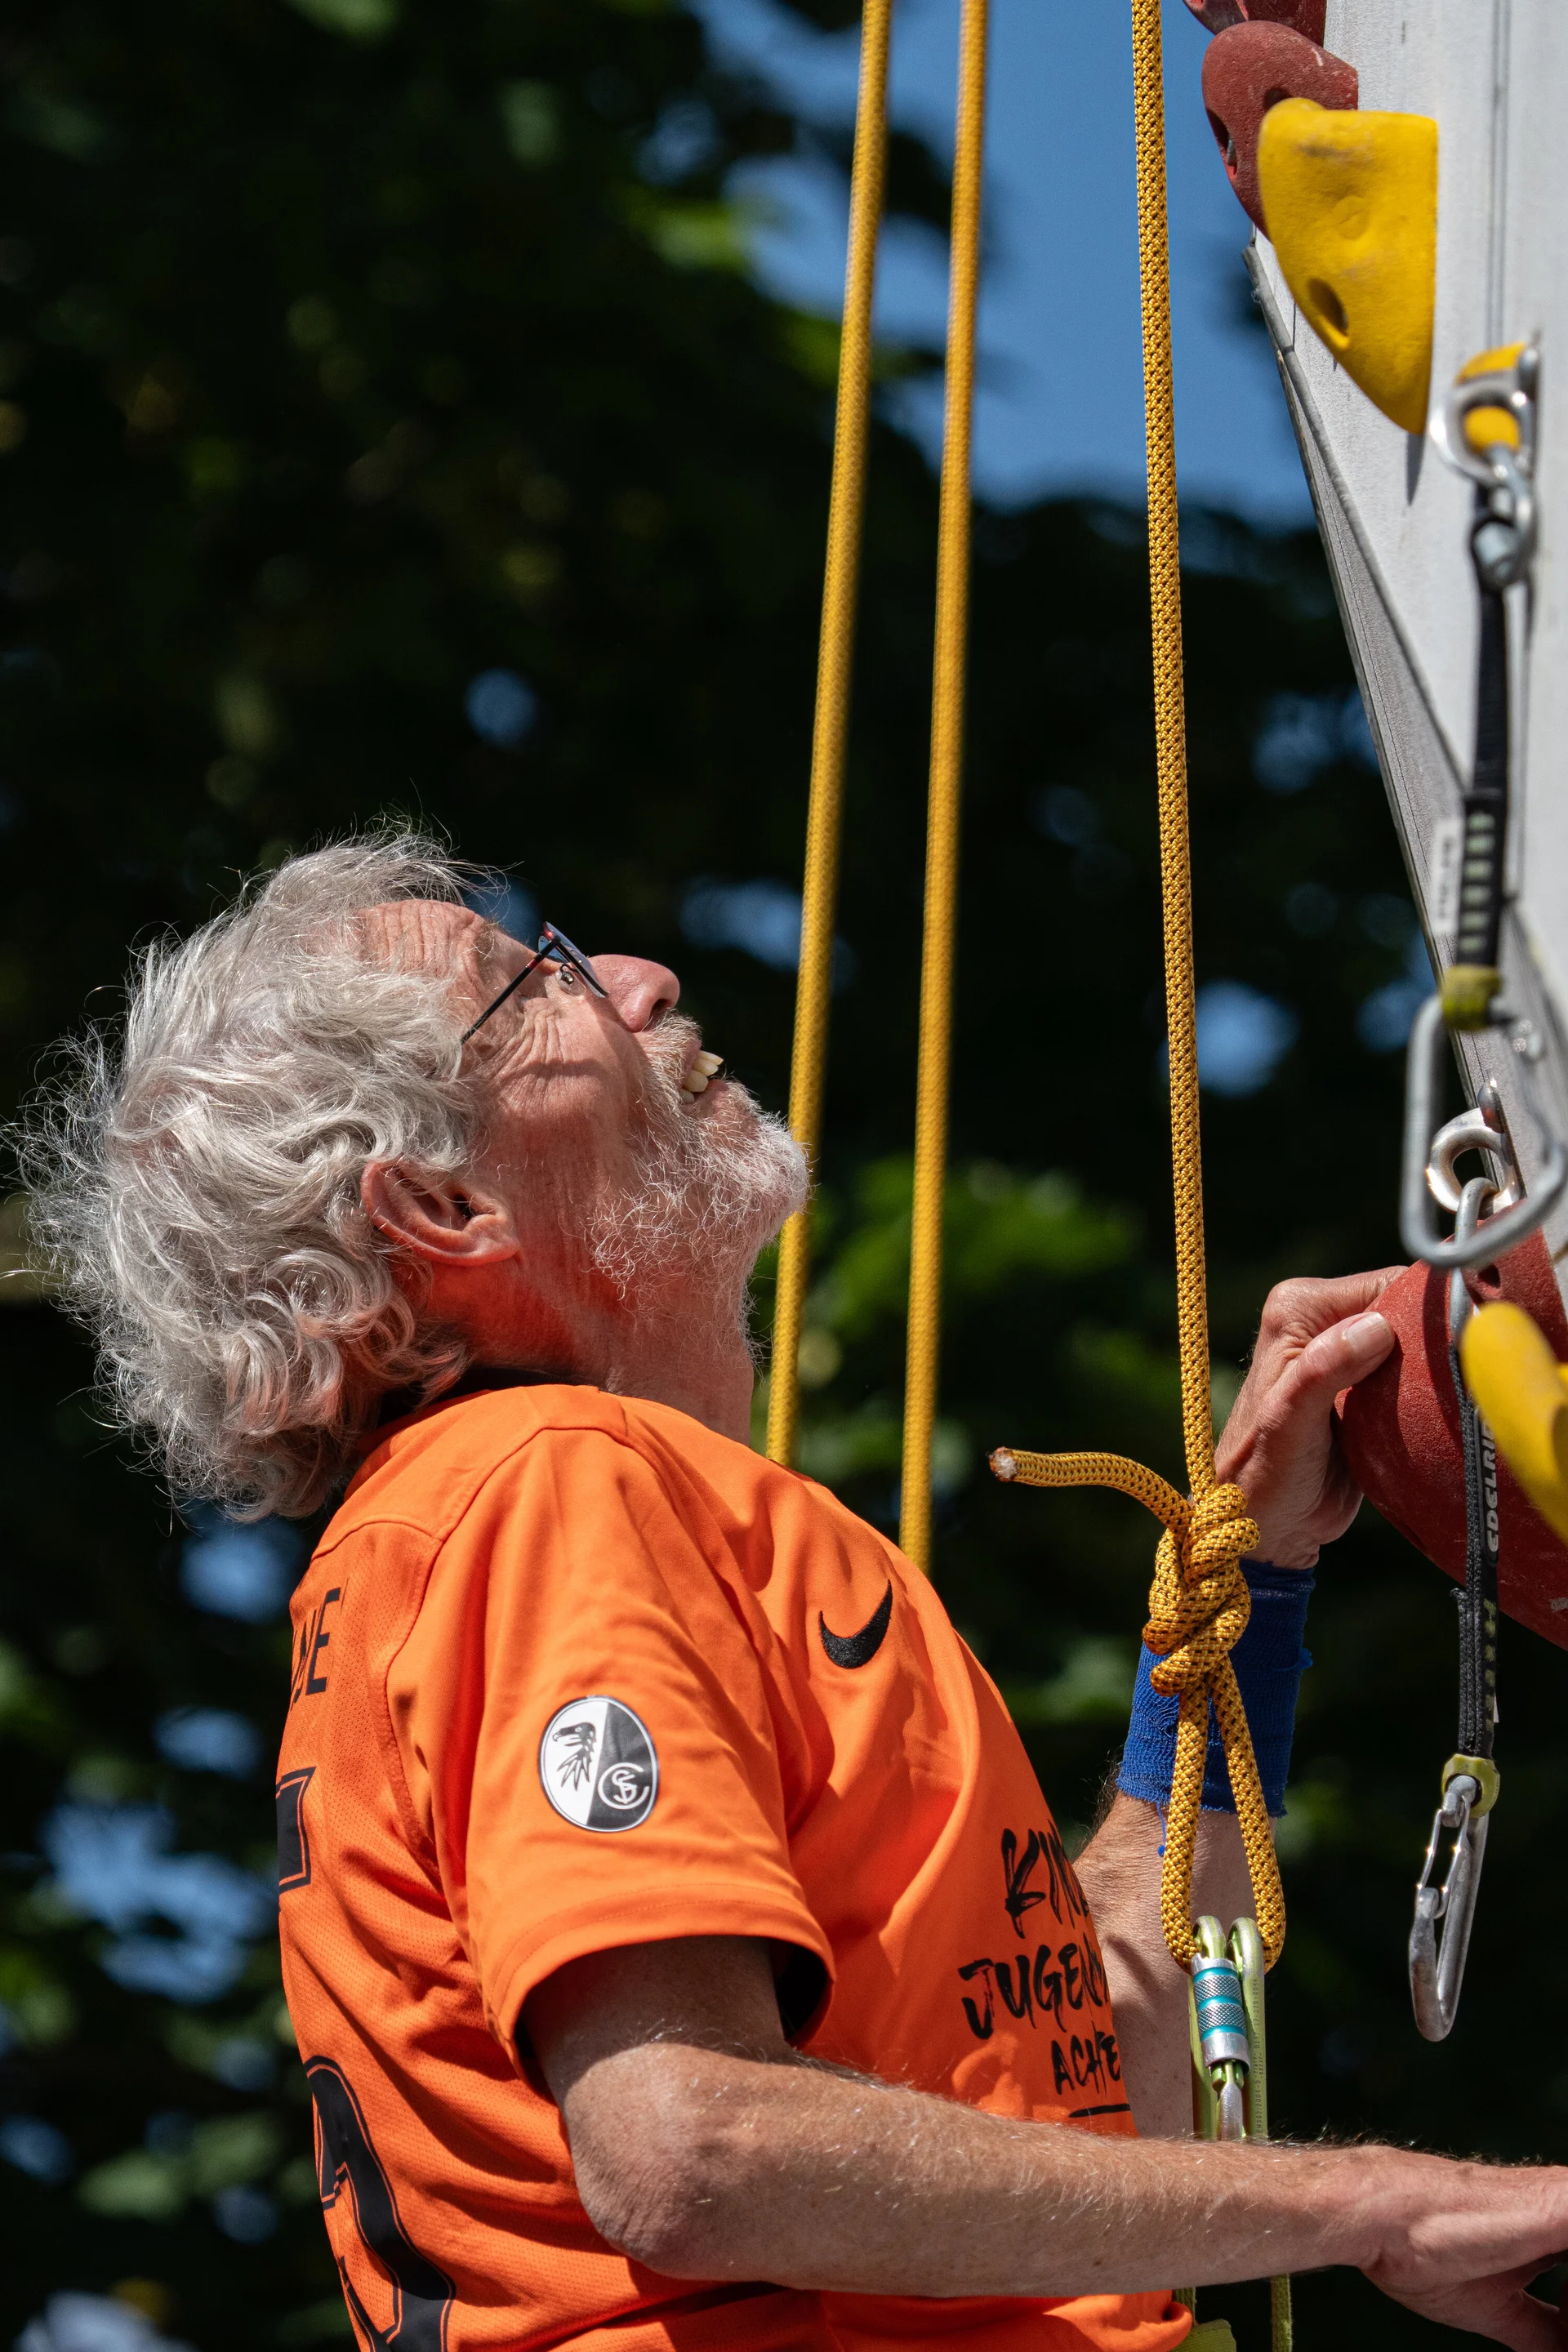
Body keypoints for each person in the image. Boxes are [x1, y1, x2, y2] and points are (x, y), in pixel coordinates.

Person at [21, 833, 1568, 2352]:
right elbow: (689, 2146)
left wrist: (1255, 1597)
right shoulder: (548, 1484)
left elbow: (1091, 2105)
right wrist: (1379, 2202)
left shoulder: (511, 1524)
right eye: (532, 982)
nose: (638, 977)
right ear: (443, 1213)